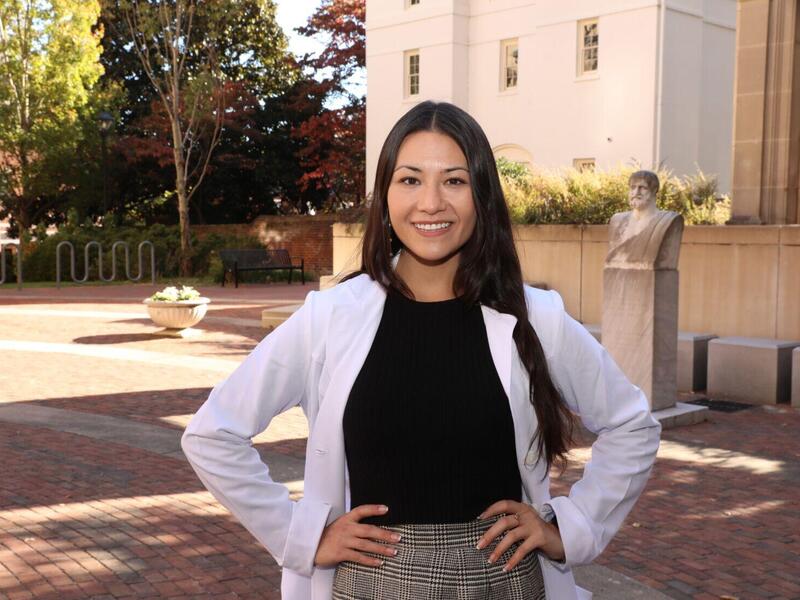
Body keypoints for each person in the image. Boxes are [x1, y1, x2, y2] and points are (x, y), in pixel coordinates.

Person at [182, 101, 661, 600]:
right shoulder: (331, 318)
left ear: (482, 195)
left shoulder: (536, 318)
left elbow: (632, 426)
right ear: (385, 194)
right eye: (410, 180)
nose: (431, 202)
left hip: (504, 584)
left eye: (453, 180)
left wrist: (569, 530)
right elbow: (213, 434)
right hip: (370, 585)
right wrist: (301, 536)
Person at [605, 170, 683, 270]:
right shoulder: (617, 220)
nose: (636, 192)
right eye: (633, 187)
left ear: (654, 190)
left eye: (642, 188)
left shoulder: (667, 220)